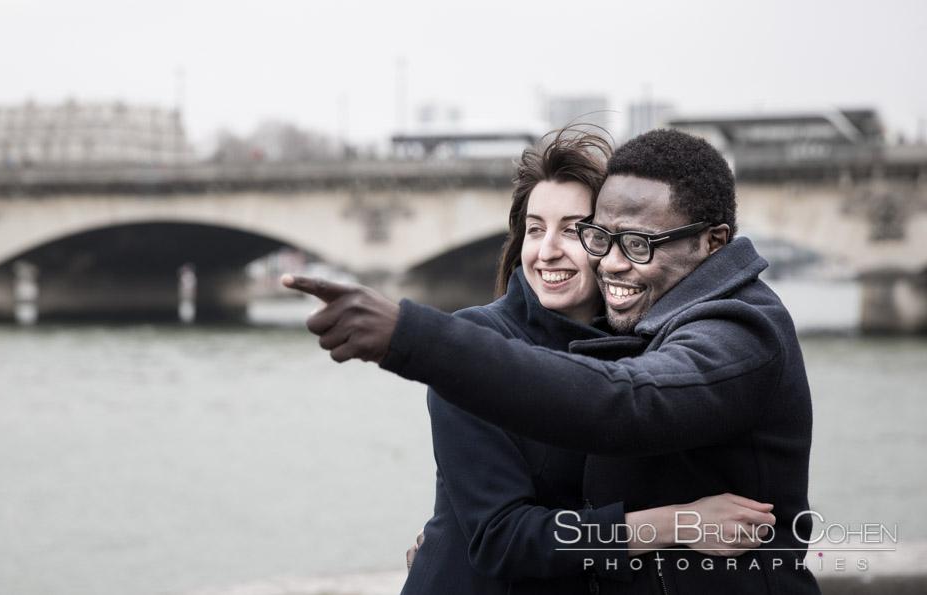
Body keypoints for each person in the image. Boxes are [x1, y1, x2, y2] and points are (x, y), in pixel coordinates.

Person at [283, 129, 820, 594]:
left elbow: (623, 402)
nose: (551, 251)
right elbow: (501, 538)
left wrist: (413, 337)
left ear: (712, 242)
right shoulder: (483, 339)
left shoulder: (699, 332)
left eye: (631, 241)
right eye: (537, 229)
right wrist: (672, 523)